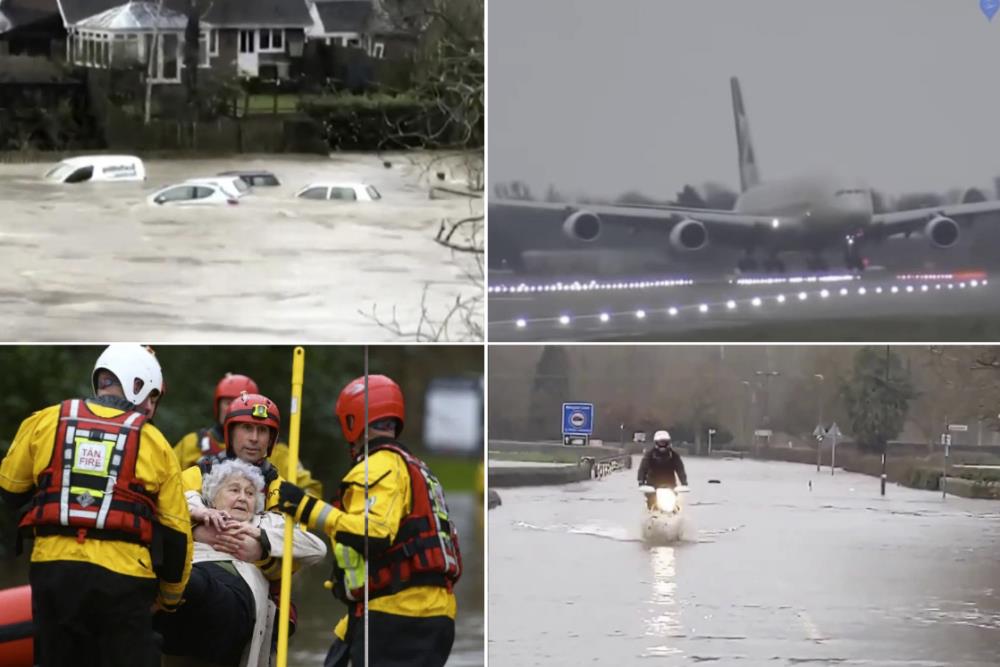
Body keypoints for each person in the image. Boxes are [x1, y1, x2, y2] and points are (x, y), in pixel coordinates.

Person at [0, 344, 193, 667]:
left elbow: (10, 490)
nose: (151, 408)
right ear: (137, 385)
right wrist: (169, 599)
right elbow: (176, 535)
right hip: (124, 583)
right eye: (152, 397)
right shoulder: (154, 442)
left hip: (53, 574)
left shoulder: (46, 421)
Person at [276, 374, 462, 667]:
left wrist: (304, 507)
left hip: (400, 616)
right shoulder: (413, 466)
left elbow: (375, 533)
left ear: (352, 421)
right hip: (400, 611)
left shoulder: (379, 466)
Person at [155, 459, 326, 667]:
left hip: (233, 596)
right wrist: (199, 516)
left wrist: (260, 539)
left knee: (194, 583)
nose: (242, 498)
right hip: (185, 600)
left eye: (250, 493)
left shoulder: (266, 522)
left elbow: (318, 549)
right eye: (234, 490)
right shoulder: (196, 510)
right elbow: (170, 500)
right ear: (212, 496)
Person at [173, 373, 323, 499]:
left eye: (262, 431)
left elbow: (309, 491)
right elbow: (170, 490)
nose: (254, 438)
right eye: (228, 402)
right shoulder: (195, 448)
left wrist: (297, 506)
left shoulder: (278, 463)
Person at [638, 430, 688, 509]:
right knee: (651, 504)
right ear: (656, 443)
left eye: (664, 442)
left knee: (676, 506)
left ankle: (676, 516)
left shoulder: (674, 455)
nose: (662, 445)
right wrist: (641, 482)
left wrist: (684, 483)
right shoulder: (650, 455)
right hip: (653, 486)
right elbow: (643, 468)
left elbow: (680, 469)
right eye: (660, 443)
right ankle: (651, 516)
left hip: (670, 485)